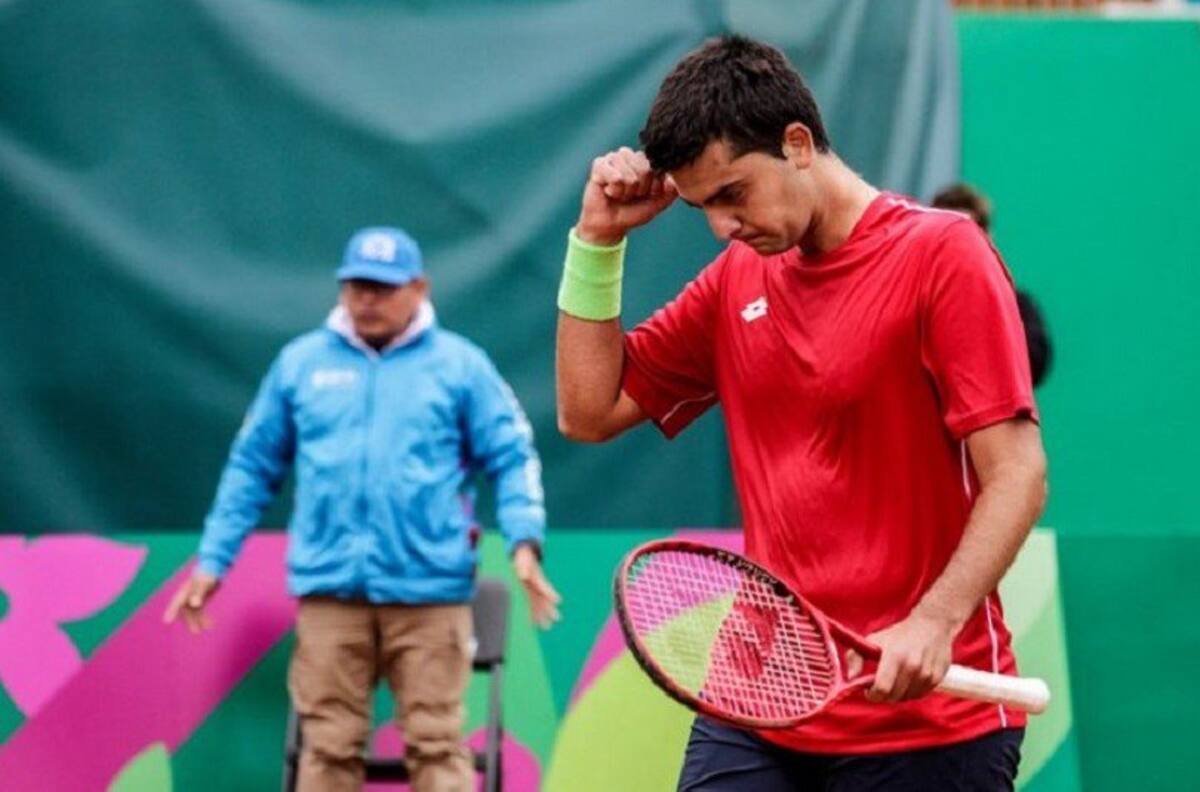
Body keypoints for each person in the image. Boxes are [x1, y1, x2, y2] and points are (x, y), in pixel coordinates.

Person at [555, 36, 1046, 791]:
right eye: (702, 207)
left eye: (732, 194)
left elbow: (1017, 473)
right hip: (758, 697)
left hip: (924, 718)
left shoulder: (944, 255)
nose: (721, 225)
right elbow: (588, 412)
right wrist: (595, 243)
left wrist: (936, 620)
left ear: (797, 144)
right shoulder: (735, 279)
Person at [164, 226, 561, 792]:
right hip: (331, 595)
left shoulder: (460, 366)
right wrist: (212, 563)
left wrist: (524, 543)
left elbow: (512, 453)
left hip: (431, 595)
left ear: (419, 287)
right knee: (326, 751)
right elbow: (251, 468)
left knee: (437, 747)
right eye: (356, 286)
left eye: (383, 286)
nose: (367, 299)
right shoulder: (301, 364)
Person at [931, 183, 1053, 387]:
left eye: (964, 234)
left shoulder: (1016, 305)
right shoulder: (913, 308)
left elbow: (1033, 363)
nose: (956, 246)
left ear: (986, 236)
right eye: (945, 233)